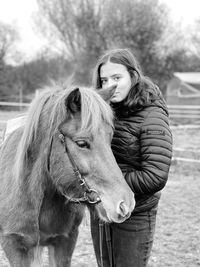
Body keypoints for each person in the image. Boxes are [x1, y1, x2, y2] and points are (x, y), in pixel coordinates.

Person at [90, 48, 173, 267]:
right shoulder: (101, 112)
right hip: (102, 208)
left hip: (135, 212)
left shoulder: (151, 114)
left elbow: (155, 176)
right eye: (104, 80)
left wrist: (108, 184)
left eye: (117, 78)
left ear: (133, 76)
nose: (110, 86)